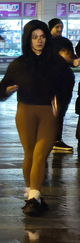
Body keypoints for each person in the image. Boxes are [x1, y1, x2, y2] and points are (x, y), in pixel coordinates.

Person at [0, 19, 75, 216]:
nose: (39, 41)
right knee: (30, 154)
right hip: (25, 112)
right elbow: (1, 91)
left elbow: (68, 82)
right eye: (35, 37)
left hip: (48, 113)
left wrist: (61, 103)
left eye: (42, 37)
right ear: (28, 39)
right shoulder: (18, 63)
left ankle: (33, 196)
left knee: (41, 155)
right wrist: (7, 90)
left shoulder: (56, 62)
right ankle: (32, 194)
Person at [47, 18, 77, 153]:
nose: (59, 29)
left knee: (62, 111)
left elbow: (72, 59)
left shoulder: (65, 42)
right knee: (54, 111)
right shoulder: (46, 42)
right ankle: (52, 139)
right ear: (50, 28)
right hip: (53, 82)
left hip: (66, 81)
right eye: (56, 27)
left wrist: (72, 60)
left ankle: (56, 138)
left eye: (61, 27)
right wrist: (60, 58)